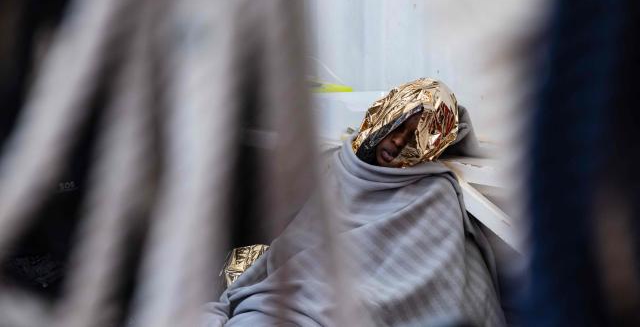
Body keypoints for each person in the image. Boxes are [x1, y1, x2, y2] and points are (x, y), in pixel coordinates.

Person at [202, 78, 505, 326]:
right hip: (296, 299)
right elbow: (296, 248)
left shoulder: (433, 194)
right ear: (383, 118)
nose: (399, 142)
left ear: (432, 147)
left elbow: (434, 284)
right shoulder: (340, 168)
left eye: (416, 137)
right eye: (398, 126)